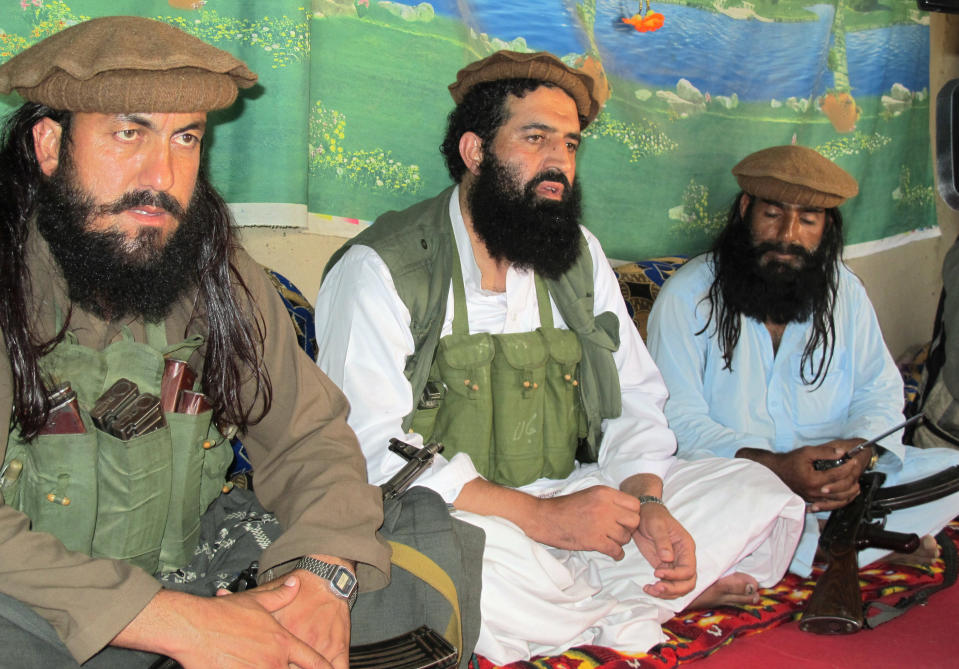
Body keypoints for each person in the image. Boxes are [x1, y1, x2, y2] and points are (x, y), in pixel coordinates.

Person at [314, 50, 805, 664]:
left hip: (575, 494)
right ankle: (631, 603)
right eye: (536, 138)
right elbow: (367, 451)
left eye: (570, 145)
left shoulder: (577, 254)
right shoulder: (380, 269)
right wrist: (542, 519)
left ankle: (595, 604)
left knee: (753, 489)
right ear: (474, 152)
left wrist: (646, 503)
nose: (558, 164)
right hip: (463, 518)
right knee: (469, 567)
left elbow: (634, 396)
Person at [0, 16, 392, 668]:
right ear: (49, 145)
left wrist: (323, 578)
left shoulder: (220, 273)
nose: (162, 172)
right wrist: (182, 626)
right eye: (130, 132)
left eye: (186, 138)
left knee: (417, 535)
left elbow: (306, 436)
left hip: (191, 569)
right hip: (42, 606)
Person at [647, 144, 959, 578]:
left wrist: (860, 454)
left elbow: (879, 390)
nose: (788, 235)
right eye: (773, 214)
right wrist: (778, 469)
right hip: (738, 481)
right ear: (745, 210)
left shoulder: (844, 292)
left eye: (808, 220)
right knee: (670, 501)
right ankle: (847, 546)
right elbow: (676, 421)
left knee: (950, 471)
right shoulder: (687, 297)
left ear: (826, 226)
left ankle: (810, 545)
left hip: (837, 487)